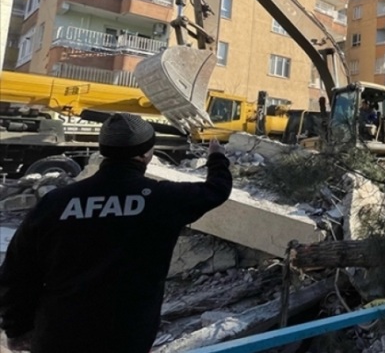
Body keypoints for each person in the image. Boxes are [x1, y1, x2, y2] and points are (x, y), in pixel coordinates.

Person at [0, 113, 233, 352]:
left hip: (58, 334)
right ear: (145, 154)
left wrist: (16, 328)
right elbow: (217, 189)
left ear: (104, 150)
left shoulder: (56, 202)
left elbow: (17, 269)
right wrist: (216, 157)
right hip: (126, 336)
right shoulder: (162, 199)